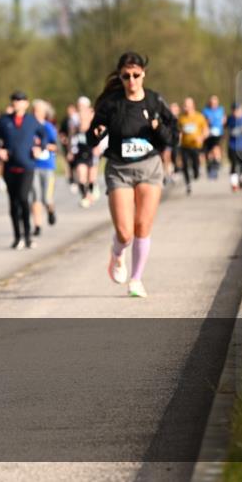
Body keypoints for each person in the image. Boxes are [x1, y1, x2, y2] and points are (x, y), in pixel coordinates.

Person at [88, 52, 177, 299]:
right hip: (119, 168)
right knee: (125, 232)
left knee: (142, 226)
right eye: (126, 76)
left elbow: (173, 137)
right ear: (120, 76)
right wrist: (97, 132)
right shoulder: (111, 104)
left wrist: (159, 129)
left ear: (143, 75)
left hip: (149, 167)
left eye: (136, 75)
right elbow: (90, 136)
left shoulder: (155, 102)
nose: (131, 80)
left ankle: (136, 279)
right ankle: (117, 254)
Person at [0, 91, 46, 249]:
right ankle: (17, 237)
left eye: (21, 100)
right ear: (12, 103)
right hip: (10, 167)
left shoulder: (31, 120)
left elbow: (44, 136)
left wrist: (39, 148)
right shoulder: (4, 121)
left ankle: (28, 236)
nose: (18, 103)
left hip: (27, 166)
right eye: (15, 100)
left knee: (23, 199)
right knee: (13, 202)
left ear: (26, 104)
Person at [30, 100, 59, 237]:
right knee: (35, 197)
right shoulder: (28, 127)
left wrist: (43, 146)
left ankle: (50, 210)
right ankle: (37, 225)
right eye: (34, 110)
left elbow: (56, 147)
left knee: (46, 198)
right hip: (33, 166)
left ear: (44, 113)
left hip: (47, 166)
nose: (36, 113)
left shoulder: (49, 128)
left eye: (38, 111)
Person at [69, 96, 100, 208]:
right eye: (79, 105)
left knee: (91, 177)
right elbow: (72, 136)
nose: (80, 108)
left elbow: (102, 134)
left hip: (92, 149)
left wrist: (99, 147)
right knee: (81, 175)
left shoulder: (95, 116)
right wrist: (71, 151)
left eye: (83, 106)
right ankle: (85, 197)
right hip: (80, 150)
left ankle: (92, 190)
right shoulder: (74, 118)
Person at [177, 97, 209, 195]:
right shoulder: (181, 118)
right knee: (185, 165)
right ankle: (188, 184)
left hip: (196, 146)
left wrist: (202, 137)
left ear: (193, 106)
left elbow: (206, 131)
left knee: (195, 164)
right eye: (184, 105)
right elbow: (179, 131)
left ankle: (196, 173)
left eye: (187, 105)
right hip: (184, 146)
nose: (185, 107)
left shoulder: (199, 117)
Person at [202, 95, 227, 179]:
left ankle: (217, 164)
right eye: (212, 102)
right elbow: (203, 121)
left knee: (216, 148)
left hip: (218, 133)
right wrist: (207, 122)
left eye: (215, 102)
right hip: (208, 133)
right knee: (208, 152)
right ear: (209, 103)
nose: (213, 104)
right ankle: (210, 167)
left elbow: (224, 119)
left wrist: (223, 122)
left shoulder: (221, 109)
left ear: (217, 103)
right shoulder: (205, 110)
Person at [58, 103, 79, 186]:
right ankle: (72, 178)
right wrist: (63, 138)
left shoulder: (78, 119)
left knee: (77, 161)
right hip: (68, 144)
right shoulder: (65, 120)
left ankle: (78, 178)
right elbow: (61, 132)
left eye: (71, 110)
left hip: (77, 144)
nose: (69, 112)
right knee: (69, 161)